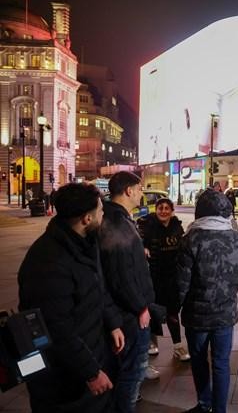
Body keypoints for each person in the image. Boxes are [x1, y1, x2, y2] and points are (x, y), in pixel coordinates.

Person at [18, 183, 124, 412]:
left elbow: (98, 287)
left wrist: (113, 322)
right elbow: (56, 329)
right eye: (100, 210)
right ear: (86, 218)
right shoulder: (49, 262)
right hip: (62, 382)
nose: (103, 213)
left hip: (89, 355)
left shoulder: (84, 243)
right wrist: (91, 373)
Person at [176, 189, 238, 413]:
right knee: (221, 363)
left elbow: (182, 282)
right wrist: (226, 293)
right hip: (225, 313)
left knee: (198, 360)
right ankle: (219, 410)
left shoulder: (190, 239)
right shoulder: (237, 239)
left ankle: (204, 403)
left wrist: (172, 308)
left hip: (196, 315)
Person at [99, 171, 155, 412]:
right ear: (129, 191)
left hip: (121, 312)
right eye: (139, 188)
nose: (142, 193)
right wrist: (140, 307)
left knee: (124, 372)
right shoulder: (117, 221)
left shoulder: (113, 218)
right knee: (131, 375)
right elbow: (120, 275)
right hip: (129, 315)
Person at [137, 198, 190, 363]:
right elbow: (139, 242)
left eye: (167, 208)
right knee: (153, 311)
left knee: (173, 312)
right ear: (156, 209)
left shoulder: (176, 226)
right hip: (153, 275)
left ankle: (178, 345)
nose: (164, 211)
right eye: (161, 208)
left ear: (172, 210)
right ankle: (152, 342)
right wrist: (143, 249)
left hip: (172, 276)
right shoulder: (147, 225)